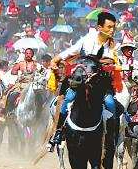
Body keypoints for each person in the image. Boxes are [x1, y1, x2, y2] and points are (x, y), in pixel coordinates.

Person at [48, 11, 121, 148]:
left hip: (102, 84)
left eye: (113, 27)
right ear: (99, 27)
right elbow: (70, 51)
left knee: (110, 103)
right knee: (68, 100)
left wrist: (111, 65)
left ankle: (111, 138)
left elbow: (114, 62)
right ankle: (58, 132)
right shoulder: (87, 40)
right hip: (81, 82)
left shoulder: (113, 46)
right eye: (109, 27)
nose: (112, 30)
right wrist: (55, 60)